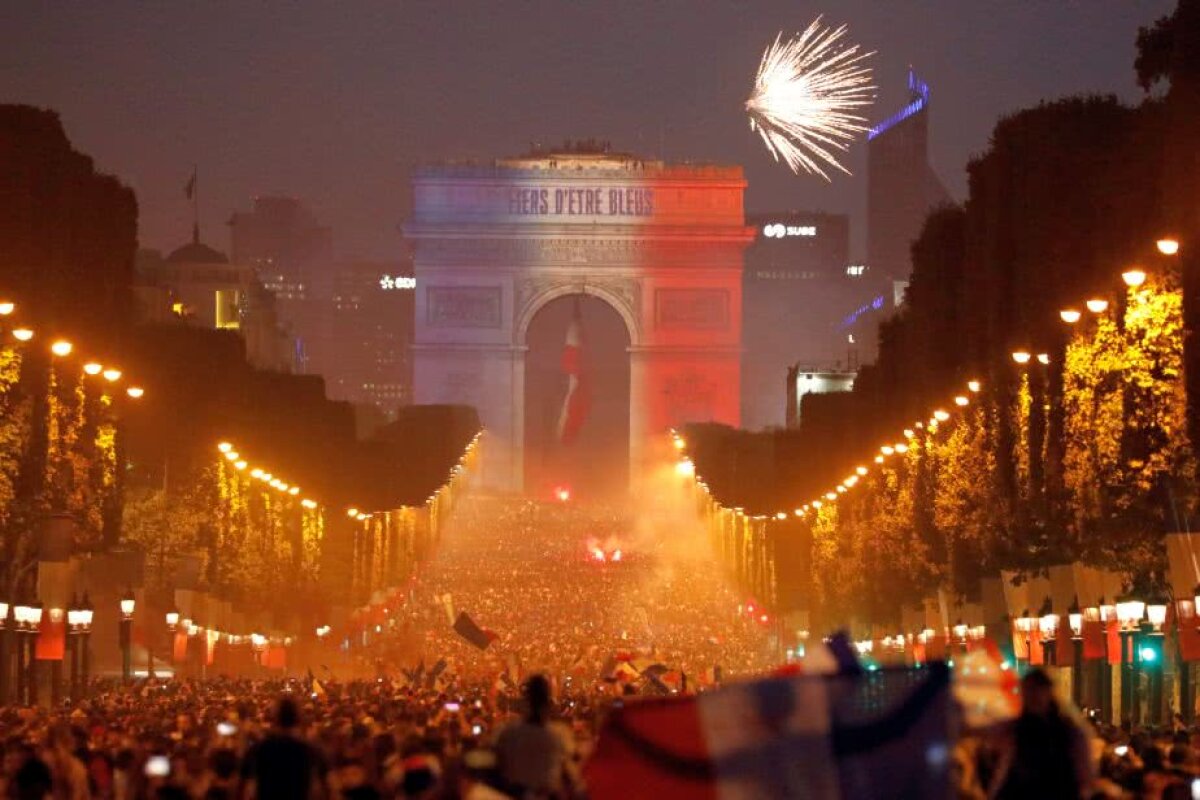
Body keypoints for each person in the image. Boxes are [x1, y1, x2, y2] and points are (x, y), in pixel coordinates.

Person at [987, 669, 1095, 799]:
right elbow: (1006, 764)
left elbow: (1084, 771)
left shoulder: (1069, 730)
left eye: (1035, 691)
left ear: (1049, 692)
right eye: (1027, 691)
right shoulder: (1019, 727)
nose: (1031, 697)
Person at [494, 675, 575, 799]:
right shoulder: (559, 735)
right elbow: (568, 776)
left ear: (526, 701)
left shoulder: (508, 733)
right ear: (547, 703)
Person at [241, 697, 328, 800]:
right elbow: (328, 788)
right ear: (298, 718)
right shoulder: (312, 749)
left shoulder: (259, 748)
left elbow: (240, 786)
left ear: (275, 717)